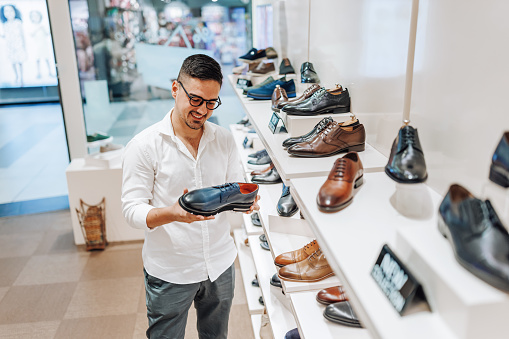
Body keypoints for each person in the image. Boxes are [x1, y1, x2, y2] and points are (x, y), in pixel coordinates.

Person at [121, 54, 260, 339]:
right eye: (195, 100)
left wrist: (244, 202)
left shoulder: (224, 138)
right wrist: (171, 213)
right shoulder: (144, 146)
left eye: (211, 102)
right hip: (171, 269)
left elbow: (234, 188)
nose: (203, 111)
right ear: (175, 89)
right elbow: (131, 210)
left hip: (220, 263)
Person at [0, 4, 27, 86]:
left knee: (20, 61)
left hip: (18, 45)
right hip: (10, 46)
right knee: (13, 62)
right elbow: (6, 35)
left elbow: (22, 35)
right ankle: (16, 76)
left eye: (10, 10)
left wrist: (24, 46)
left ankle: (21, 78)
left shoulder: (18, 23)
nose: (9, 13)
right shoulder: (5, 24)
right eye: (6, 11)